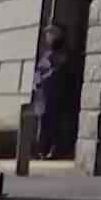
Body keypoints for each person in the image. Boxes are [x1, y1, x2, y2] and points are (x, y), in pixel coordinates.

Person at [29, 23, 77, 159]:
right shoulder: (47, 53)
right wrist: (37, 82)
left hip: (55, 95)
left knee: (53, 124)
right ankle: (41, 150)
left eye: (50, 34)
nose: (47, 37)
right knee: (42, 123)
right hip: (43, 95)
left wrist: (43, 78)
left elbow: (57, 73)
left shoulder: (62, 54)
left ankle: (52, 150)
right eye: (47, 34)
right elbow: (39, 71)